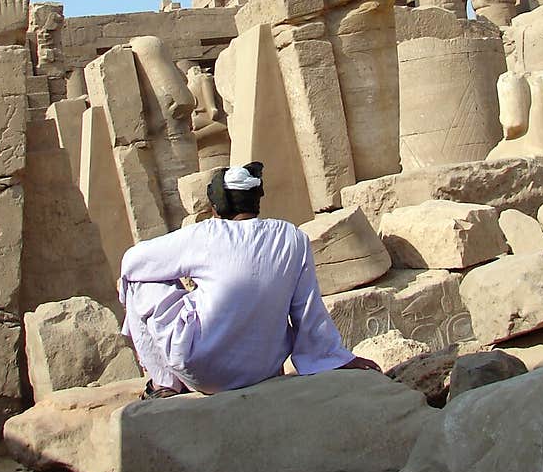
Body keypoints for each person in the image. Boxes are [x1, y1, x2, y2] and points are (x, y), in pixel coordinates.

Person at [118, 161, 381, 399]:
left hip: (204, 372)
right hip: (262, 369)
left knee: (139, 281)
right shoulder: (292, 237)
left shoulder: (206, 234)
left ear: (216, 207)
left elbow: (132, 262)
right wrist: (335, 357)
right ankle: (318, 359)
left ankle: (165, 383)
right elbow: (308, 309)